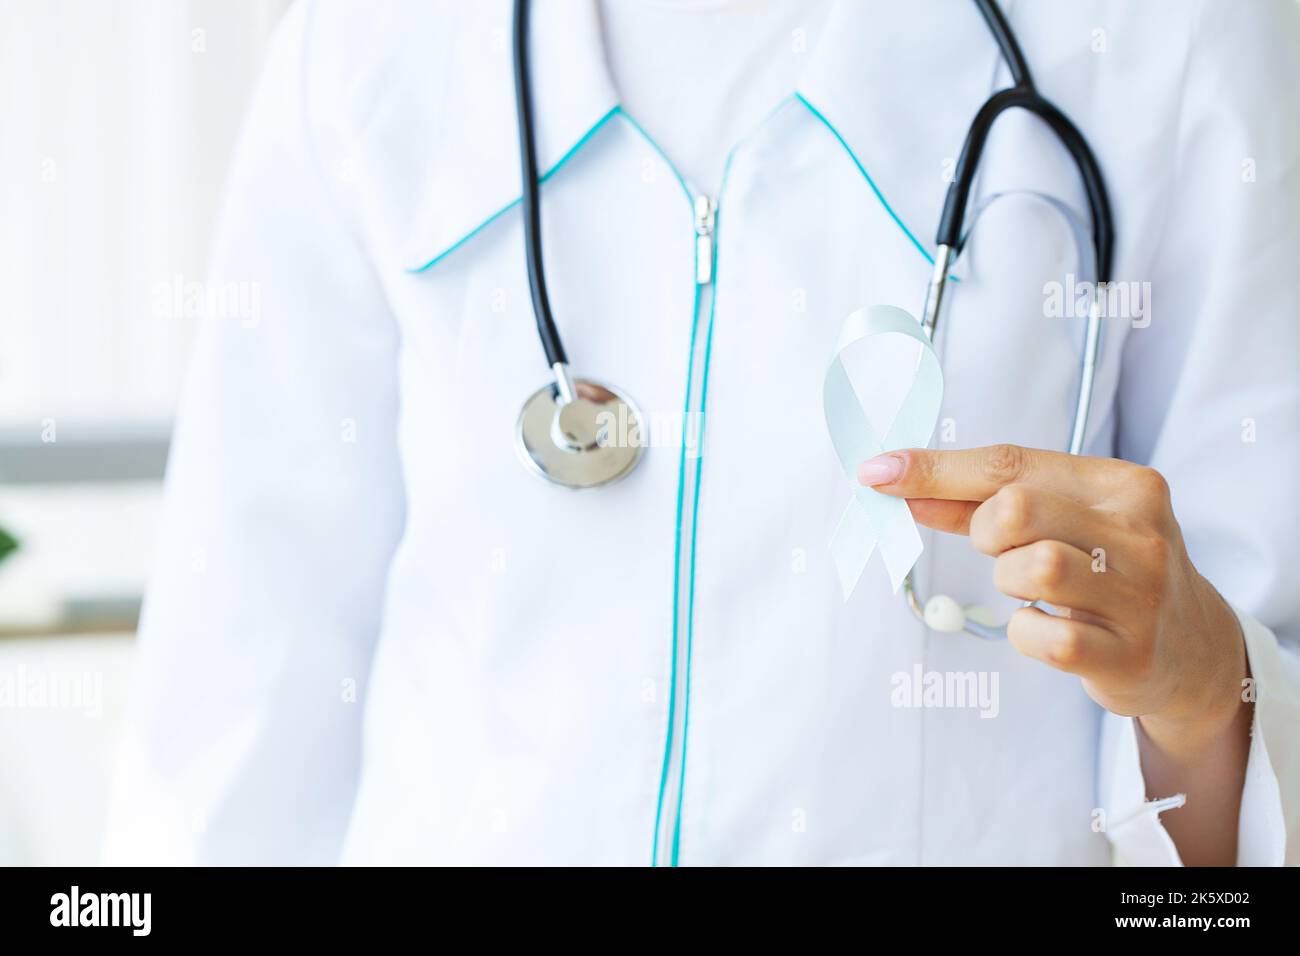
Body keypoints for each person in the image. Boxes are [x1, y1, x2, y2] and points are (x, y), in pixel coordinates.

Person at [105, 0, 1300, 866]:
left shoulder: (1170, 40)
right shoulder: (370, 48)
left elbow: (1233, 799)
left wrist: (1204, 690)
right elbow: (236, 721)